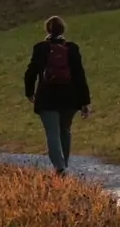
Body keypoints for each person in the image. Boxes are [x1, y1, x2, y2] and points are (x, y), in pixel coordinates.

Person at [24, 15, 91, 176]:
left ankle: (59, 168)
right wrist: (84, 101)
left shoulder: (40, 48)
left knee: (52, 133)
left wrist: (30, 92)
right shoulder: (72, 48)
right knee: (65, 130)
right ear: (63, 29)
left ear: (47, 30)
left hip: (47, 97)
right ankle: (64, 165)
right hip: (70, 98)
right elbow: (80, 75)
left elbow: (30, 72)